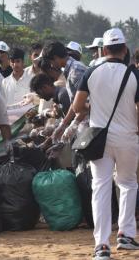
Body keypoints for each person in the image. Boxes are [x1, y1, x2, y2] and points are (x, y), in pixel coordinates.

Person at [72, 28, 139, 260]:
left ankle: (101, 246)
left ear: (103, 49)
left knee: (100, 187)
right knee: (128, 183)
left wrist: (95, 107)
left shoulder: (91, 72)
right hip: (128, 137)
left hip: (99, 138)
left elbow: (77, 107)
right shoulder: (134, 74)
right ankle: (126, 235)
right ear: (125, 49)